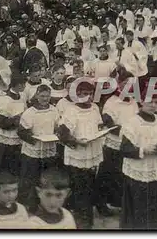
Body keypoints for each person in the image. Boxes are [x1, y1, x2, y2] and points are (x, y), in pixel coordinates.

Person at [58, 81, 108, 229]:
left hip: (92, 150)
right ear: (77, 95)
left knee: (90, 184)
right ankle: (82, 219)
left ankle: (86, 215)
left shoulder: (94, 108)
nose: (89, 97)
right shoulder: (71, 110)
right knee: (80, 186)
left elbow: (98, 125)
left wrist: (102, 131)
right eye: (86, 94)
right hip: (78, 153)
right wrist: (77, 141)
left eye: (91, 94)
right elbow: (62, 133)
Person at [120, 94, 157, 229]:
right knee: (139, 209)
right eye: (150, 102)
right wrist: (144, 150)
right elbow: (125, 149)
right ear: (141, 101)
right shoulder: (133, 122)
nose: (154, 105)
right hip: (138, 171)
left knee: (156, 206)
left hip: (155, 169)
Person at [98, 82, 139, 209]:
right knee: (108, 174)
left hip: (127, 144)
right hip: (113, 144)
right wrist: (126, 132)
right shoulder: (112, 102)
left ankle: (119, 203)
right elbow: (109, 124)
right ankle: (102, 204)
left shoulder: (133, 101)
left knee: (123, 175)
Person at [17, 84, 59, 208]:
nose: (45, 99)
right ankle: (29, 204)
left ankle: (45, 204)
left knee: (46, 178)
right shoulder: (30, 112)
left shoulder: (53, 110)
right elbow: (21, 131)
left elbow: (57, 126)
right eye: (42, 96)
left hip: (48, 149)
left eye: (47, 96)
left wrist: (57, 134)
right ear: (37, 96)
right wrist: (33, 140)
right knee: (30, 178)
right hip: (33, 150)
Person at [0, 74, 27, 190]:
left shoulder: (21, 97)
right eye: (23, 84)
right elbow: (1, 123)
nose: (25, 86)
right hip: (6, 137)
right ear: (18, 85)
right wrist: (16, 120)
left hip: (17, 137)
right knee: (1, 164)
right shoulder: (6, 100)